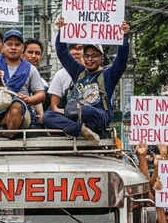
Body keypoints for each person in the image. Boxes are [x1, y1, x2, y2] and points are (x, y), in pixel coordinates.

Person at [42, 17, 130, 145]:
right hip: (76, 117)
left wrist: (123, 37)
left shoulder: (108, 74)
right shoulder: (79, 72)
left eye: (94, 55)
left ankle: (74, 128)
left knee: (87, 110)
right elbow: (62, 53)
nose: (90, 59)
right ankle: (81, 130)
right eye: (86, 56)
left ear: (101, 57)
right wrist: (62, 31)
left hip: (97, 115)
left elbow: (121, 61)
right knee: (48, 116)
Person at [0, 29, 46, 131]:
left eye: (17, 45)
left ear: (22, 48)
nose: (13, 48)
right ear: (3, 47)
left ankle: (0, 131)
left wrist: (29, 100)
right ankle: (1, 128)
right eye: (9, 44)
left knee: (16, 106)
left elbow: (41, 94)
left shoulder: (30, 69)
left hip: (21, 113)